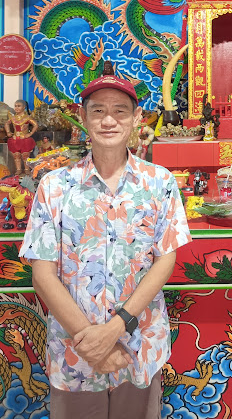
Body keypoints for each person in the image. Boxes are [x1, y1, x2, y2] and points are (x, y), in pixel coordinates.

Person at [19, 74, 192, 419]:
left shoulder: (160, 183)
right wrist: (91, 342)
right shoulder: (54, 186)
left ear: (137, 118)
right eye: (98, 110)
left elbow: (164, 260)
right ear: (82, 118)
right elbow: (42, 275)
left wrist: (115, 329)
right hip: (75, 353)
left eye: (120, 110)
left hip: (138, 347)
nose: (108, 120)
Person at [4, 99, 38, 175]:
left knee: (25, 155)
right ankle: (18, 169)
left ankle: (26, 169)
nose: (16, 108)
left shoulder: (27, 117)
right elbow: (6, 124)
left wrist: (30, 134)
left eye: (19, 106)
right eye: (15, 106)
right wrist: (8, 132)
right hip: (15, 139)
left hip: (25, 139)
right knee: (16, 155)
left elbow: (35, 125)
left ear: (24, 107)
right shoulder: (13, 118)